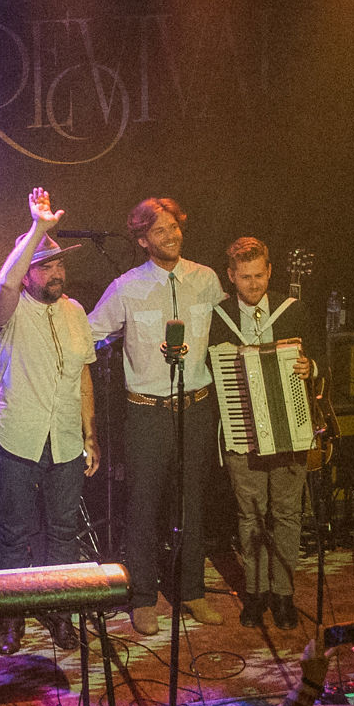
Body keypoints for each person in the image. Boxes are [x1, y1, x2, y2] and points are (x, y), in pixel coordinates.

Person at [87, 196, 226, 635]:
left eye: (175, 227)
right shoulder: (126, 286)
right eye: (160, 231)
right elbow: (87, 336)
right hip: (146, 412)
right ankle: (143, 597)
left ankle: (193, 592)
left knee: (193, 503)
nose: (172, 236)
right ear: (143, 239)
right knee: (143, 507)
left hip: (197, 408)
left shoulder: (206, 280)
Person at [0, 189, 100, 653]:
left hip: (66, 440)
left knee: (64, 535)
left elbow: (83, 376)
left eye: (59, 265)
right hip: (16, 436)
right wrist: (38, 229)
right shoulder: (6, 309)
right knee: (13, 534)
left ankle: (60, 613)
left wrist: (91, 435)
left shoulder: (75, 311)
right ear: (27, 269)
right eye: (45, 265)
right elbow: (6, 285)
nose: (56, 273)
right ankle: (10, 621)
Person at [206, 236, 319, 631]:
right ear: (231, 276)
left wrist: (311, 369)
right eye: (245, 277)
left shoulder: (295, 312)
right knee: (250, 516)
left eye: (259, 276)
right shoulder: (219, 318)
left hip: (290, 432)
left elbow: (320, 362)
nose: (253, 285)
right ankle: (255, 594)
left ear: (270, 271)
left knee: (288, 514)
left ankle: (284, 595)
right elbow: (213, 379)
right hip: (242, 434)